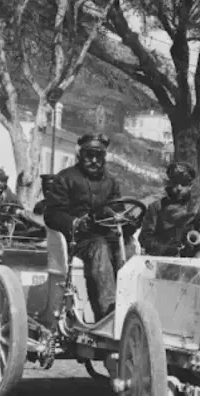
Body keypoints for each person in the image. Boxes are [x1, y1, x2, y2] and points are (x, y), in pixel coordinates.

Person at [44, 133, 131, 321]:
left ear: (104, 158)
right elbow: (52, 214)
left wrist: (127, 221)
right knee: (99, 247)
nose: (94, 160)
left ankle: (130, 305)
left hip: (105, 235)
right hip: (77, 240)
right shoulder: (65, 178)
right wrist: (75, 223)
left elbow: (117, 209)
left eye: (98, 156)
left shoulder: (111, 182)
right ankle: (108, 311)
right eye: (89, 155)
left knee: (129, 246)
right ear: (80, 155)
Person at [139, 162, 200, 259]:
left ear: (190, 186)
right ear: (169, 184)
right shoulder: (156, 207)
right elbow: (145, 238)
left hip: (190, 262)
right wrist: (169, 249)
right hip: (162, 260)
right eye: (175, 183)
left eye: (183, 184)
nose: (179, 188)